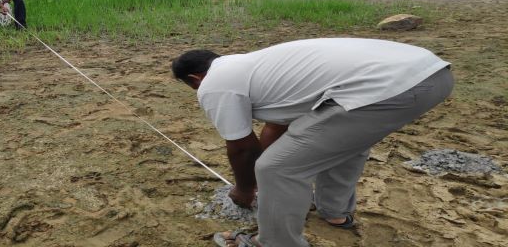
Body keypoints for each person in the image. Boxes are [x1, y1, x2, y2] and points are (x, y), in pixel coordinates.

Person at [171, 38, 454, 247]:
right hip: (432, 73)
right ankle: (335, 213)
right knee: (343, 143)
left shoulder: (214, 83)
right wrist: (272, 187)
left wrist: (246, 188)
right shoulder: (252, 65)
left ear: (195, 78)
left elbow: (242, 147)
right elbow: (277, 125)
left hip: (388, 87)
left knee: (276, 169)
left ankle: (275, 243)